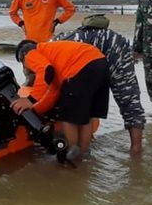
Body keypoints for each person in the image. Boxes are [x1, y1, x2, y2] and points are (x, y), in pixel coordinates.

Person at [55, 14, 146, 153]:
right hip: (116, 49)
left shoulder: (58, 42)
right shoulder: (115, 37)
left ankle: (75, 156)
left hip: (95, 59)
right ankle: (136, 148)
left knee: (74, 111)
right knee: (129, 98)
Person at [11, 40, 110, 160]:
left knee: (68, 118)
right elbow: (52, 95)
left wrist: (29, 100)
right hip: (101, 63)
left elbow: (46, 70)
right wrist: (35, 111)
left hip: (81, 67)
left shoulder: (28, 52)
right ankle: (82, 156)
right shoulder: (55, 56)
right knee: (87, 117)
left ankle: (69, 156)